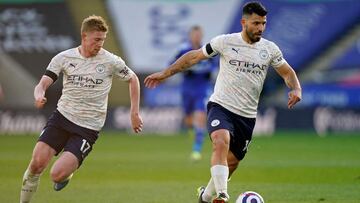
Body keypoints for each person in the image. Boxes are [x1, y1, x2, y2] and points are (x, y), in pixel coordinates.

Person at [144, 2, 302, 203]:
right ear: (243, 22)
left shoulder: (269, 49)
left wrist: (296, 88)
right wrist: (165, 73)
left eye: (263, 23)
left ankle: (206, 196)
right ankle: (222, 194)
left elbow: (287, 72)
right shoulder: (225, 42)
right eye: (256, 23)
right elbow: (193, 57)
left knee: (232, 162)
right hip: (221, 106)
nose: (260, 28)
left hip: (247, 116)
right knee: (220, 140)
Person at [20, 15, 143, 203]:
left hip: (87, 128)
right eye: (96, 40)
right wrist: (39, 93)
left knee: (56, 175)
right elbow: (43, 83)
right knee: (36, 165)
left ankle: (67, 174)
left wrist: (134, 113)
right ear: (84, 36)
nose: (100, 44)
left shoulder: (111, 61)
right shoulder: (64, 57)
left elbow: (133, 79)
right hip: (61, 119)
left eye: (102, 40)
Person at [170, 25, 217, 161]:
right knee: (188, 118)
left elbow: (215, 65)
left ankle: (196, 150)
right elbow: (173, 63)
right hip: (187, 88)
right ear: (190, 36)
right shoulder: (183, 50)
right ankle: (192, 129)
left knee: (201, 116)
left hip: (202, 88)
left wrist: (210, 72)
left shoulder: (207, 50)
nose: (196, 37)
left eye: (199, 35)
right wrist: (183, 69)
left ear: (201, 36)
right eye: (194, 35)